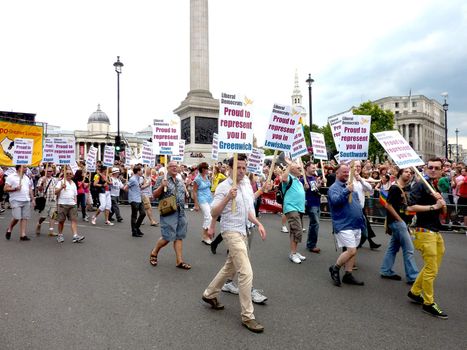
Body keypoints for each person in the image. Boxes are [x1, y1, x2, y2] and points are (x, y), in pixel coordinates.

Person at [202, 154, 267, 333]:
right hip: (230, 232)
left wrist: (258, 223)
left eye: (244, 167)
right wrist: (226, 198)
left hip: (243, 230)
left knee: (229, 268)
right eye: (238, 167)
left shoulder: (245, 184)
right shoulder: (224, 186)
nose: (241, 171)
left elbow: (247, 210)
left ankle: (209, 294)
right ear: (230, 168)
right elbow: (214, 211)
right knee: (245, 272)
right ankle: (248, 316)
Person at [406, 158, 448, 319]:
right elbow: (409, 207)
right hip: (423, 232)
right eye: (430, 167)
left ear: (441, 170)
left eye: (436, 168)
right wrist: (433, 206)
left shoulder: (435, 184)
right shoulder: (420, 184)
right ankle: (428, 303)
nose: (432, 170)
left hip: (435, 231)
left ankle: (415, 292)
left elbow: (443, 211)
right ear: (425, 168)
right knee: (431, 269)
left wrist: (441, 203)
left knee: (435, 264)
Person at [328, 164, 366, 287]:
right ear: (337, 173)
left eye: (347, 171)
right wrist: (346, 191)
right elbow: (335, 202)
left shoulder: (349, 186)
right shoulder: (334, 188)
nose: (346, 173)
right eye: (343, 172)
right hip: (344, 224)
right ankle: (335, 268)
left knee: (354, 251)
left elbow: (355, 203)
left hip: (355, 224)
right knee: (351, 250)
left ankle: (348, 275)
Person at [380, 168, 419, 283]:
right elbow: (388, 205)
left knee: (393, 248)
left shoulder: (405, 188)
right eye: (406, 172)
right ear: (400, 174)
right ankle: (413, 277)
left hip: (401, 222)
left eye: (411, 172)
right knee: (409, 249)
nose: (409, 174)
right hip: (398, 223)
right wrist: (400, 220)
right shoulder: (394, 188)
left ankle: (386, 270)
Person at [149, 161, 191, 269]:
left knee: (179, 236)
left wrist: (186, 191)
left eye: (176, 166)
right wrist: (161, 186)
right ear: (167, 168)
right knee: (167, 236)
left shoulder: (179, 180)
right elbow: (154, 195)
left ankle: (179, 261)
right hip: (168, 210)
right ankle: (154, 252)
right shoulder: (162, 179)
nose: (174, 168)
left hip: (180, 211)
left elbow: (183, 194)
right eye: (172, 166)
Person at [281, 159, 306, 264]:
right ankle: (293, 253)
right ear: (291, 169)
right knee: (297, 231)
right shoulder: (289, 178)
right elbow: (283, 178)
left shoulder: (298, 180)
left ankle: (294, 252)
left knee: (294, 231)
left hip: (299, 209)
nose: (300, 167)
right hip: (291, 208)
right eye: (297, 167)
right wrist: (289, 165)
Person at [4, 165, 35, 241]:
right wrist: (15, 188)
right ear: (18, 168)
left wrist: (33, 199)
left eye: (26, 167)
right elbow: (5, 188)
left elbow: (30, 189)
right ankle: (10, 228)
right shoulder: (11, 177)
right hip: (15, 200)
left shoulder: (26, 177)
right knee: (17, 217)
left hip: (26, 199)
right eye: (24, 167)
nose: (26, 168)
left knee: (24, 217)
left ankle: (23, 235)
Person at [55, 169, 85, 243]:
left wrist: (75, 203)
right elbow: (55, 192)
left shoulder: (73, 183)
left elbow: (75, 195)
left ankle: (75, 236)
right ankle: (60, 235)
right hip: (62, 204)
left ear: (72, 175)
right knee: (61, 221)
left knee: (74, 220)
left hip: (72, 204)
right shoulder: (60, 182)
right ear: (64, 174)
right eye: (67, 173)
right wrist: (61, 187)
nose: (68, 175)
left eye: (70, 174)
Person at [302, 162, 322, 254]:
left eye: (315, 167)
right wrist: (304, 188)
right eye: (312, 167)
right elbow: (302, 191)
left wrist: (319, 185)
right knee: (315, 223)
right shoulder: (303, 179)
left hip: (317, 202)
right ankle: (312, 245)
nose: (314, 168)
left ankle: (310, 244)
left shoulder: (314, 178)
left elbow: (314, 190)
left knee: (313, 224)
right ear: (306, 168)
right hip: (310, 203)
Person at [192, 162, 213, 244]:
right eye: (207, 168)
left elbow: (208, 188)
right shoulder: (197, 179)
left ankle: (205, 235)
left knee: (209, 217)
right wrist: (196, 204)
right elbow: (194, 192)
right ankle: (205, 236)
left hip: (209, 199)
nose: (208, 169)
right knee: (208, 217)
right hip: (202, 199)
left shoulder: (206, 176)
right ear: (203, 169)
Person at [35, 166, 58, 236]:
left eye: (50, 171)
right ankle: (39, 224)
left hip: (53, 200)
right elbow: (39, 189)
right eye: (47, 171)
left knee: (54, 215)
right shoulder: (41, 179)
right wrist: (42, 183)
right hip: (45, 200)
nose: (49, 172)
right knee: (43, 216)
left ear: (53, 172)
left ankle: (51, 231)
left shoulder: (55, 179)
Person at [126, 165, 146, 237]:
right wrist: (131, 193)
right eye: (141, 170)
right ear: (138, 171)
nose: (142, 172)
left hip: (139, 198)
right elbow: (126, 188)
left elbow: (138, 187)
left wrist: (146, 185)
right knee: (134, 216)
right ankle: (134, 231)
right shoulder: (133, 179)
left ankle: (136, 228)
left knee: (143, 213)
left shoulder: (138, 178)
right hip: (134, 199)